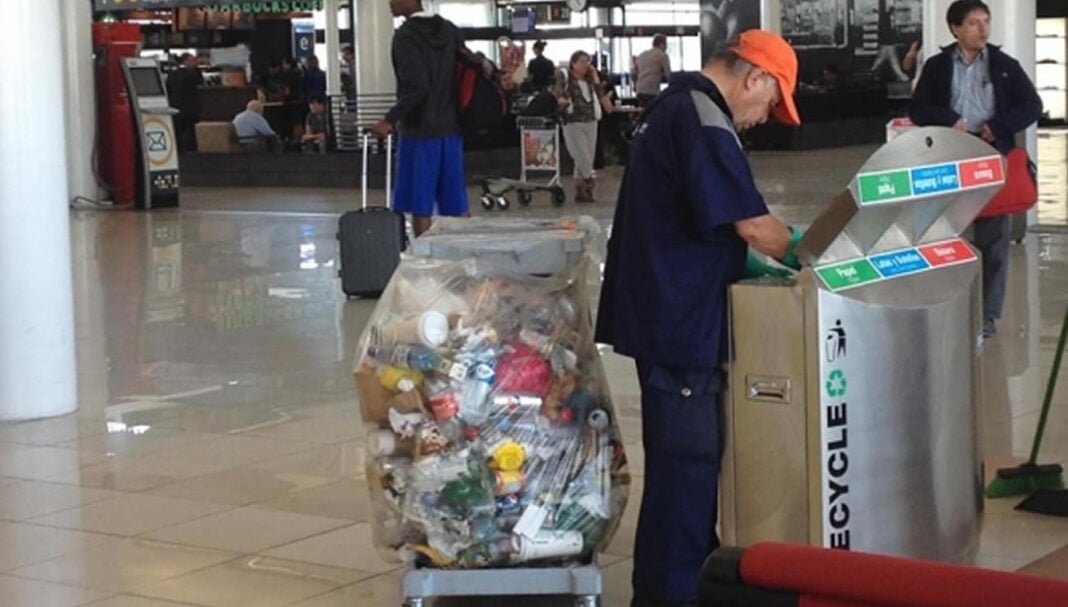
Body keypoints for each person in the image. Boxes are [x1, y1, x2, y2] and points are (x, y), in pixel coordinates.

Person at [595, 29, 803, 607]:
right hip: (679, 322)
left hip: (669, 311)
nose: (764, 116)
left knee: (680, 469)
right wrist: (812, 259)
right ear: (753, 76)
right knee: (686, 472)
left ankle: (681, 584)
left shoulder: (679, 107)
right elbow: (752, 224)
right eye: (770, 101)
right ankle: (672, 595)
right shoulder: (704, 118)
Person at [909, 0, 1042, 337]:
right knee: (942, 233)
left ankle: (988, 315)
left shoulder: (1004, 65)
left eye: (986, 21)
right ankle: (944, 305)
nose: (983, 29)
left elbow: (1032, 105)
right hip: (948, 156)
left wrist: (999, 125)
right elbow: (918, 109)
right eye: (973, 23)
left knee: (993, 238)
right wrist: (946, 119)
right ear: (955, 28)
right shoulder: (938, 66)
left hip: (989, 156)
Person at [372, 0, 469, 237]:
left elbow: (417, 87)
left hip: (420, 129)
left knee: (420, 202)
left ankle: (424, 260)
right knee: (456, 201)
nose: (389, 3)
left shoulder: (405, 36)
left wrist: (389, 119)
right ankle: (462, 252)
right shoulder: (450, 29)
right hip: (451, 128)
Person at [553, 51, 611, 203]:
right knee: (582, 155)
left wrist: (596, 78)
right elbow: (558, 92)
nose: (586, 65)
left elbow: (599, 93)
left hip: (591, 120)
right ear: (573, 63)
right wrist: (563, 101)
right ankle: (589, 179)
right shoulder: (564, 76)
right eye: (582, 61)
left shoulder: (590, 79)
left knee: (588, 155)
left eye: (588, 61)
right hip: (574, 121)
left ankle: (582, 190)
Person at [166, 53, 203, 152]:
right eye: (192, 60)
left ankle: (178, 149)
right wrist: (197, 68)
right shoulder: (191, 74)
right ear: (186, 61)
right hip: (190, 105)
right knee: (191, 130)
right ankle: (191, 149)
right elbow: (200, 81)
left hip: (175, 104)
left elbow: (168, 89)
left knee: (178, 129)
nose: (194, 62)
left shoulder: (172, 74)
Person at [635, 34, 671, 107]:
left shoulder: (642, 54)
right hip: (651, 91)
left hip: (639, 90)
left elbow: (633, 72)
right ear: (661, 44)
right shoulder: (662, 55)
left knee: (644, 112)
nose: (666, 47)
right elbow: (668, 75)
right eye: (666, 45)